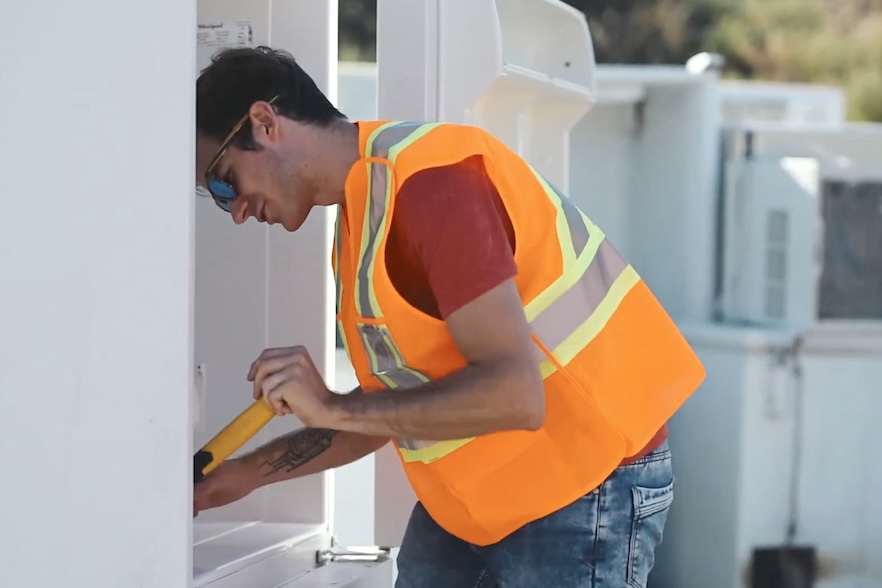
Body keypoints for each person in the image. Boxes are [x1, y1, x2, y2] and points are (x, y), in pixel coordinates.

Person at [193, 46, 705, 588]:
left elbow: (515, 395)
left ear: (265, 123)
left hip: (584, 489)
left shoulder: (430, 188)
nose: (239, 211)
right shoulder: (362, 216)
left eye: (226, 182)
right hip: (479, 501)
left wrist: (331, 405)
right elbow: (383, 411)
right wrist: (239, 478)